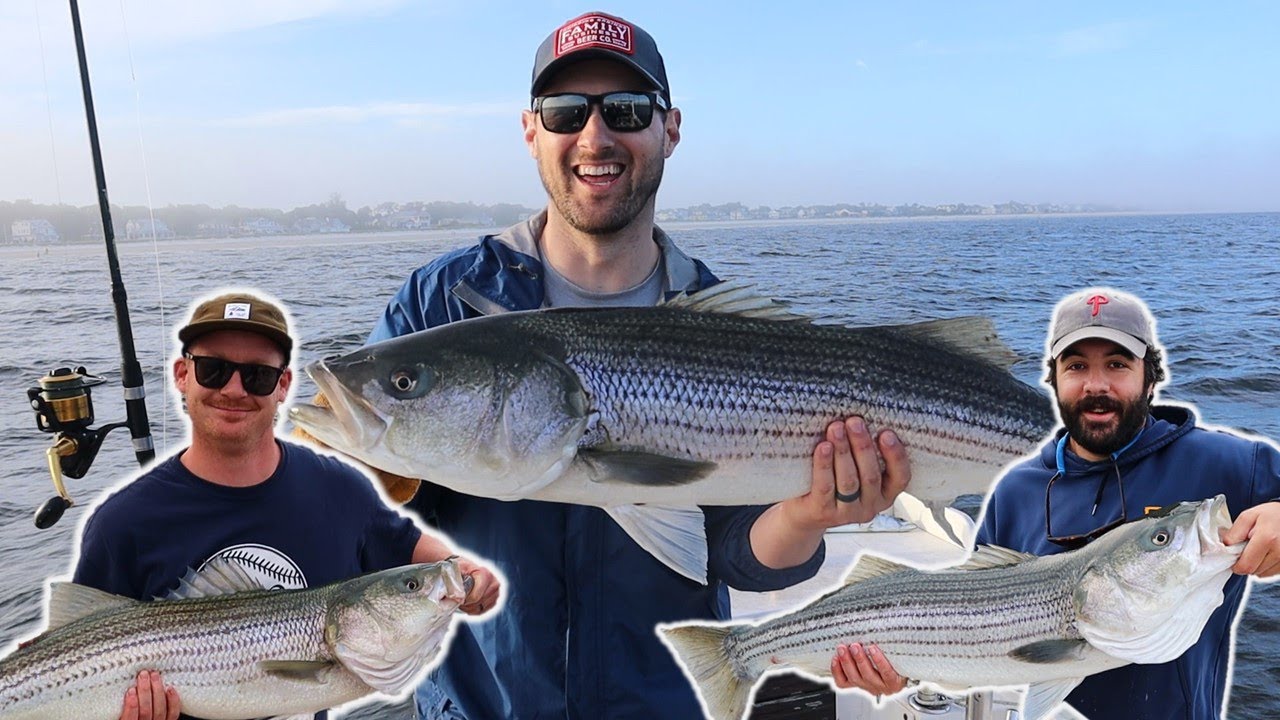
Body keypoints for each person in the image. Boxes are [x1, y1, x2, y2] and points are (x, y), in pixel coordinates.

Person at [355, 11, 910, 719]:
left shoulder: (722, 320)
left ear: (669, 129)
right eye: (564, 112)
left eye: (625, 109)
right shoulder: (444, 302)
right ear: (531, 132)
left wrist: (809, 513)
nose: (594, 136)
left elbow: (735, 553)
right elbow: (365, 505)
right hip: (479, 705)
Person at [831, 287, 1280, 719]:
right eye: (1077, 366)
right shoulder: (1016, 491)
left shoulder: (1227, 464)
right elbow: (972, 627)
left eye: (1118, 364)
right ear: (1054, 379)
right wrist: (899, 670)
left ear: (1150, 377)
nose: (1095, 384)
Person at [71, 290, 501, 720]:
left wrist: (466, 573)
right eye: (213, 370)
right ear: (183, 374)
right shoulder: (122, 524)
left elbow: (415, 553)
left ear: (283, 386)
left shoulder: (339, 488)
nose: (234, 389)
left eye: (257, 375)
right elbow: (74, 657)